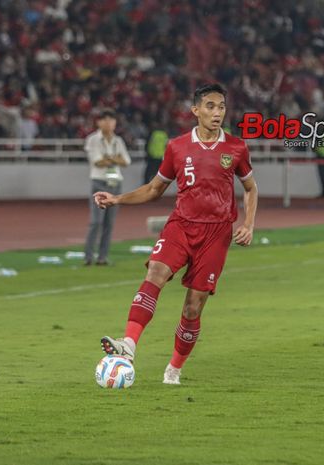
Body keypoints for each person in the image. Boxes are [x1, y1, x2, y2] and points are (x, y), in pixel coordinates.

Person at [94, 84, 258, 385]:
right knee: (155, 271)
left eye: (221, 106)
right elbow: (155, 189)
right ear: (195, 110)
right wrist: (118, 199)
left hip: (216, 233)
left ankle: (174, 368)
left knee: (193, 306)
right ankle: (128, 345)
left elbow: (250, 188)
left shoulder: (236, 148)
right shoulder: (177, 147)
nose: (217, 112)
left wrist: (247, 223)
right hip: (181, 224)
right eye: (210, 106)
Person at [84, 108, 131, 266]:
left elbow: (126, 161)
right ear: (98, 122)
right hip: (99, 182)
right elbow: (97, 161)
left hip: (115, 183)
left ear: (115, 123)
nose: (108, 123)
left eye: (111, 120)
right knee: (96, 221)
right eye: (104, 119)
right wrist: (115, 159)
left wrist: (109, 159)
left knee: (109, 223)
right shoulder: (93, 140)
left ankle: (102, 257)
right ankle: (88, 256)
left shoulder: (118, 141)